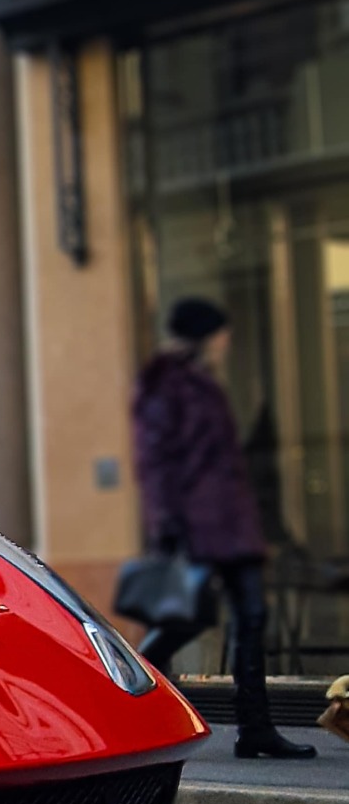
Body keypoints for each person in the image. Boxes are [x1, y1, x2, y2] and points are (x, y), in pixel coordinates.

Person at [133, 297, 313, 759]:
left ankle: (255, 727)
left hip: (231, 522)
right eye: (220, 333)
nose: (226, 341)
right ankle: (127, 697)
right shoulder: (166, 384)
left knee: (251, 617)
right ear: (203, 335)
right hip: (198, 522)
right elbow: (155, 461)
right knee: (186, 618)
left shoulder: (202, 384)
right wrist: (168, 525)